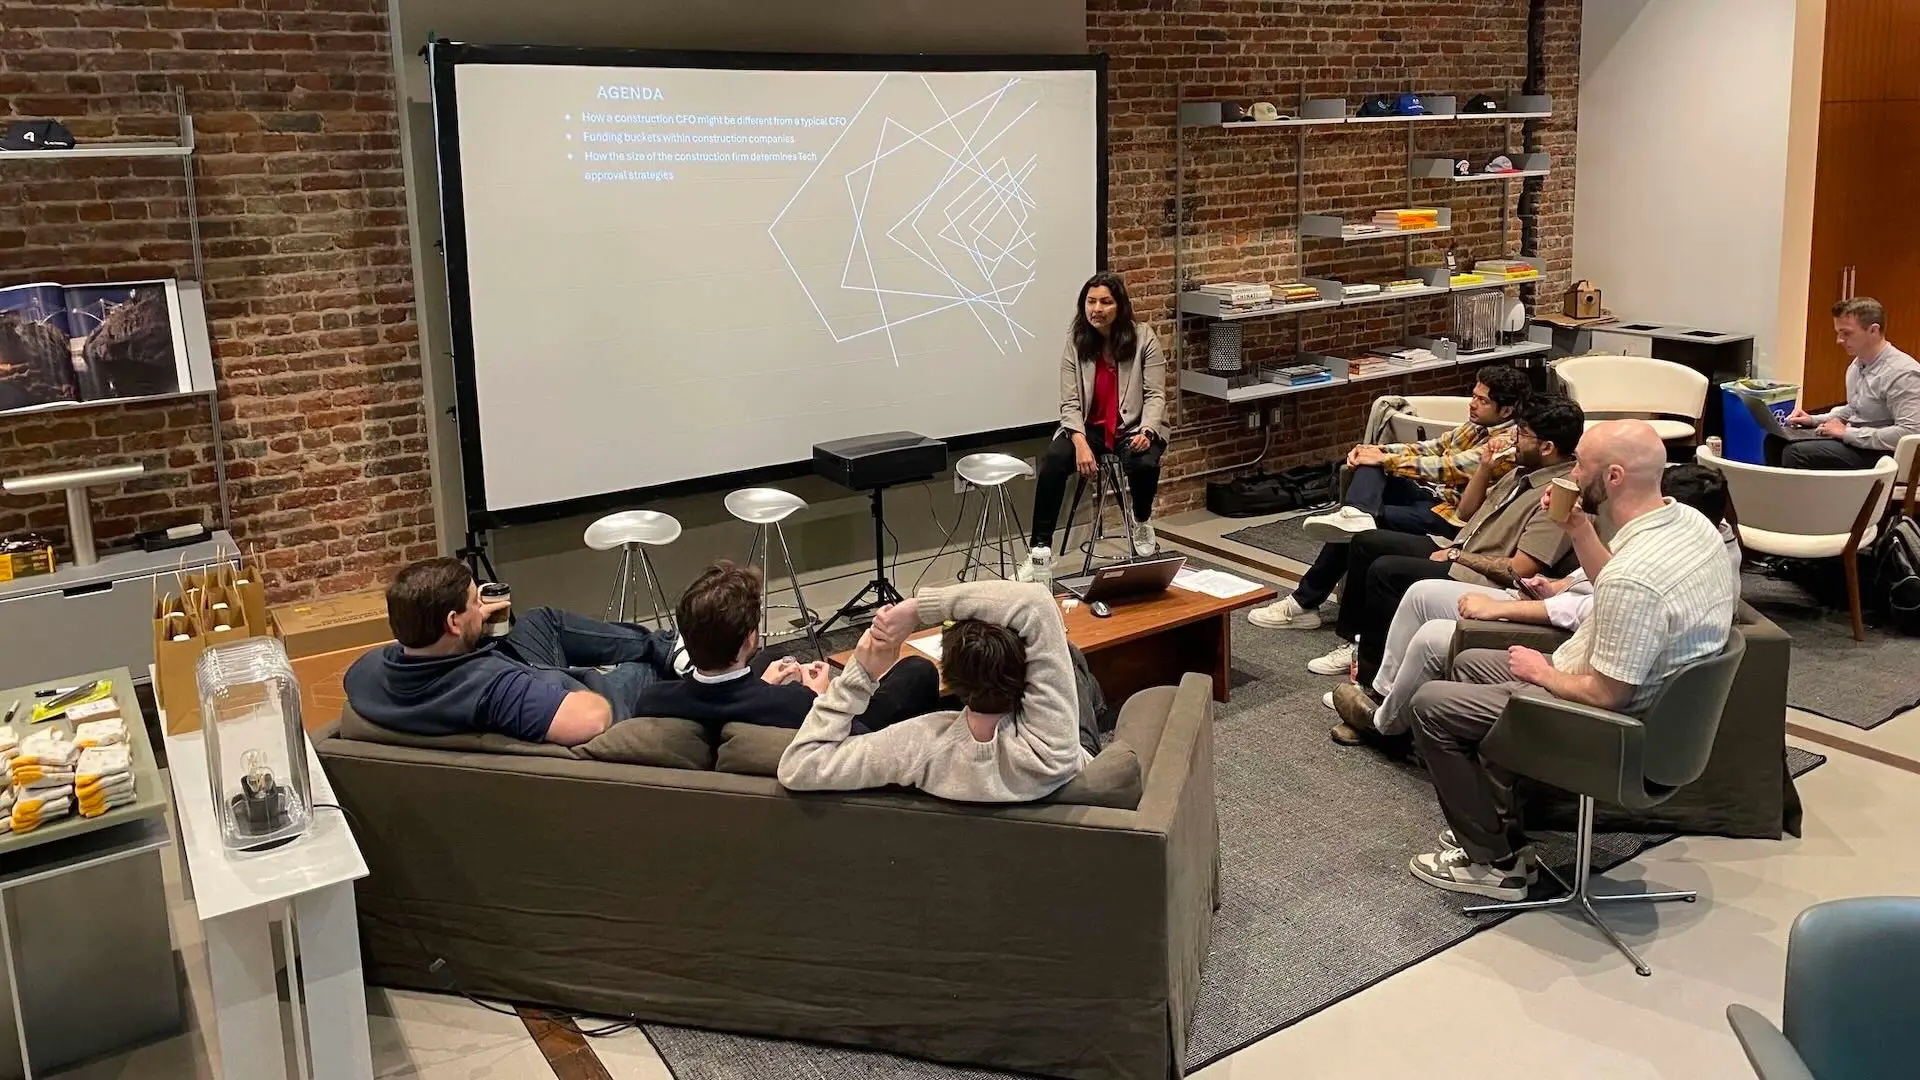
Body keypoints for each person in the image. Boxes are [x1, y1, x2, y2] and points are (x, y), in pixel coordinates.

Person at [1404, 420, 1739, 901]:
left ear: (1615, 477)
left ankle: (1496, 867)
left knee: (1430, 703)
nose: (1573, 473)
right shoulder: (1685, 523)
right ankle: (1502, 834)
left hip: (1612, 726)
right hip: (1650, 702)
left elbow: (1607, 693)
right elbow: (1613, 585)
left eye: (1582, 465)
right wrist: (1579, 527)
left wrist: (1541, 673)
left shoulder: (1636, 577)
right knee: (1470, 662)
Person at [1335, 463, 1742, 744]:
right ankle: (1386, 697)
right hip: (1557, 611)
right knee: (1420, 593)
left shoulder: (1667, 563)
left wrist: (1506, 611)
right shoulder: (1670, 538)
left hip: (1566, 640)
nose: (1577, 476)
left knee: (1432, 638)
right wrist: (1558, 582)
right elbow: (1596, 580)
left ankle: (1387, 726)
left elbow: (1600, 613)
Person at [1302, 395, 1587, 692]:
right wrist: (1486, 467)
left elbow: (1521, 570)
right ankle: (1355, 642)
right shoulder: (1520, 469)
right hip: (1462, 548)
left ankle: (1369, 681)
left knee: (1387, 571)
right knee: (1365, 540)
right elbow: (1465, 512)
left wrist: (1457, 556)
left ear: (1547, 447)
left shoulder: (1558, 497)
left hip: (1481, 576)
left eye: (1522, 434)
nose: (1513, 439)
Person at [1249, 365, 1531, 630]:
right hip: (1431, 496)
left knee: (1362, 529)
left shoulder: (1506, 443)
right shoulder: (1478, 424)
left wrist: (1386, 458)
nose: (1472, 403)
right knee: (1369, 473)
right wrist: (1377, 450)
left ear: (1505, 409)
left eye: (1481, 400)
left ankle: (1304, 603)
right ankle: (1355, 514)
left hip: (1452, 517)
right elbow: (1433, 447)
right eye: (1473, 396)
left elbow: (1450, 467)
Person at [777, 580, 1099, 802]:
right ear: (1029, 678)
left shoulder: (916, 744)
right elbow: (1035, 602)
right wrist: (917, 608)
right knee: (1069, 657)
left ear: (949, 674)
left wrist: (861, 673)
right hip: (1072, 770)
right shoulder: (1055, 748)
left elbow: (799, 765)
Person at [343, 557, 687, 746]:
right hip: (571, 692)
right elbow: (591, 719)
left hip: (493, 660)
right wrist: (570, 682)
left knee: (542, 620)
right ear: (452, 622)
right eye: (475, 603)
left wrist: (473, 630)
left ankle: (667, 644)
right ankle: (673, 654)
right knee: (643, 668)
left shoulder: (367, 671)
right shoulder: (493, 689)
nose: (482, 607)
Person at [628, 561, 945, 736]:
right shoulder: (797, 703)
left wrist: (762, 685)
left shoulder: (653, 699)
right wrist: (820, 697)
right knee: (916, 671)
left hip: (736, 699)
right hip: (838, 734)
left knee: (771, 660)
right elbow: (854, 736)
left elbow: (732, 702)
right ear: (750, 638)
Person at [1018, 272, 1168, 583]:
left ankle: (1141, 518)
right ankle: (1040, 550)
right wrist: (1080, 442)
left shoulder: (1144, 338)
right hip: (1088, 428)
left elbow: (1156, 394)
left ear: (1120, 307)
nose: (1096, 309)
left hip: (1134, 425)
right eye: (1090, 301)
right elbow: (1069, 403)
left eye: (1105, 302)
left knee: (1143, 461)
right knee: (1053, 462)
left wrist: (1147, 431)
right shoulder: (1076, 344)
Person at [1769, 296, 1920, 470]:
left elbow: (1911, 432)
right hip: (1858, 439)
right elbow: (1855, 408)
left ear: (1874, 330)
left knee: (1797, 453)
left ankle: (1809, 497)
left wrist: (1848, 433)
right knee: (1776, 440)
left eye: (1846, 333)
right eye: (1838, 333)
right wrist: (1813, 420)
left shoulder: (1903, 373)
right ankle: (1780, 497)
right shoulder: (1857, 365)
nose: (1839, 340)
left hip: (1885, 454)